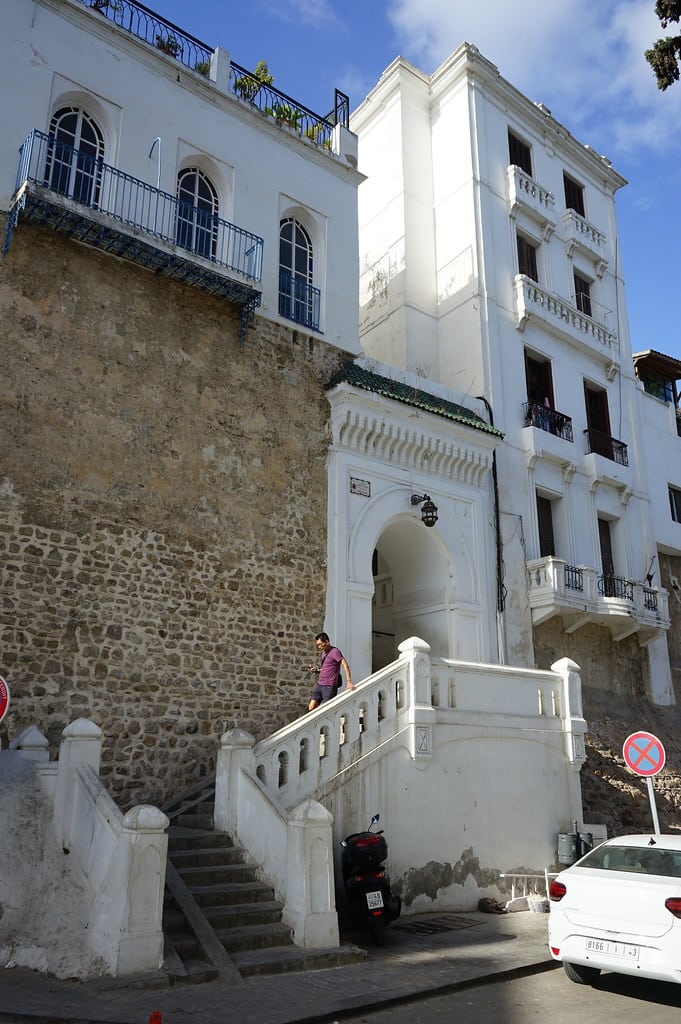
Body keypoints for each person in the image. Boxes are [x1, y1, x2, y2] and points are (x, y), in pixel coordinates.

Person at [308, 632, 354, 711]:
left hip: (329, 686)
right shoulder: (324, 652)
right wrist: (317, 670)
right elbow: (328, 668)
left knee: (324, 710)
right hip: (320, 684)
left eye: (320, 644)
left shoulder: (335, 651)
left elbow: (345, 665)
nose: (319, 647)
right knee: (311, 707)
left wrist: (349, 681)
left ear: (327, 642)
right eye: (318, 645)